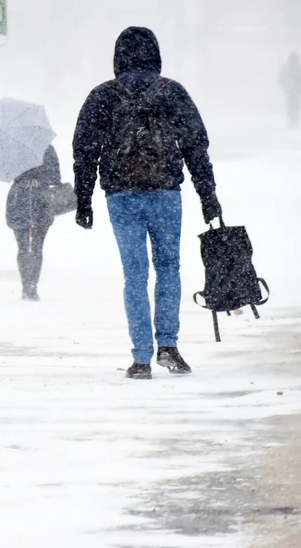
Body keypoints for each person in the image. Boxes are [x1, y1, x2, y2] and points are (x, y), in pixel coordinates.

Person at [73, 26, 221, 380]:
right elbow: (196, 147)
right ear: (155, 54)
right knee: (169, 268)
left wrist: (84, 199)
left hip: (121, 197)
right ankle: (168, 346)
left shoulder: (102, 96)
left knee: (134, 275)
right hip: (166, 194)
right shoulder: (172, 93)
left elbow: (85, 150)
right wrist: (208, 196)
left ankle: (140, 357)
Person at [5, 144, 61, 301]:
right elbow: (56, 177)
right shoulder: (46, 148)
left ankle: (29, 286)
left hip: (27, 200)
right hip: (33, 200)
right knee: (32, 247)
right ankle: (30, 287)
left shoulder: (12, 149)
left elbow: (7, 173)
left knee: (28, 247)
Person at [278, 51, 301, 130]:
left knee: (295, 107)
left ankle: (295, 122)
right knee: (291, 107)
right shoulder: (286, 68)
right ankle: (291, 122)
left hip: (296, 92)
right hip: (290, 92)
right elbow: (281, 79)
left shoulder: (300, 68)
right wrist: (285, 88)